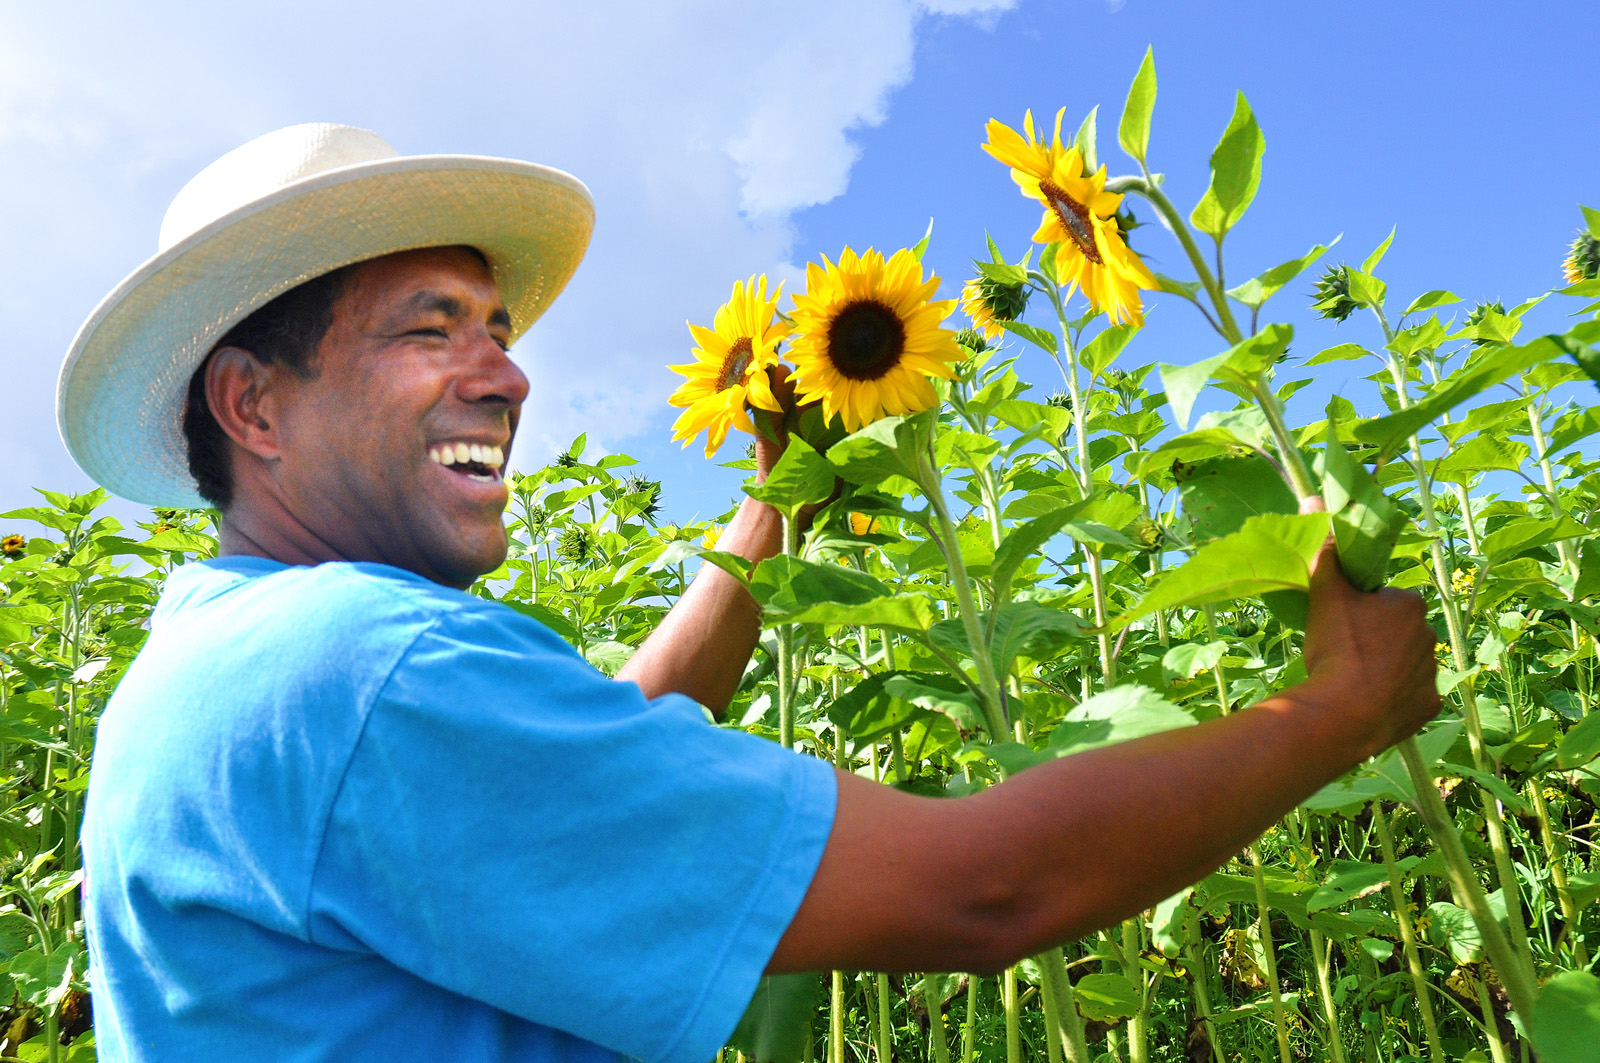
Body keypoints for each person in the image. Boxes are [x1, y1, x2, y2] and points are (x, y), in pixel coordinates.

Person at [63, 124, 1440, 1063]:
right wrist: (1332, 713)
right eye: (430, 329)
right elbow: (984, 890)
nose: (508, 375)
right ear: (252, 403)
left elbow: (585, 755)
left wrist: (773, 507)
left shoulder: (219, 661)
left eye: (497, 328)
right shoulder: (354, 670)